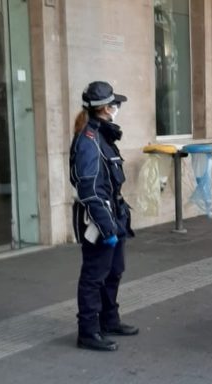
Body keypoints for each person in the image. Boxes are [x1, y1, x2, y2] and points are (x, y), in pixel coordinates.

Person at [69, 81, 138, 352]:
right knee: (94, 276)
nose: (117, 108)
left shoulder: (102, 136)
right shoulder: (88, 141)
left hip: (114, 215)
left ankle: (109, 320)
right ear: (106, 108)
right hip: (100, 219)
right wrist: (106, 227)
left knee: (114, 272)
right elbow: (89, 189)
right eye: (115, 104)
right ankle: (88, 331)